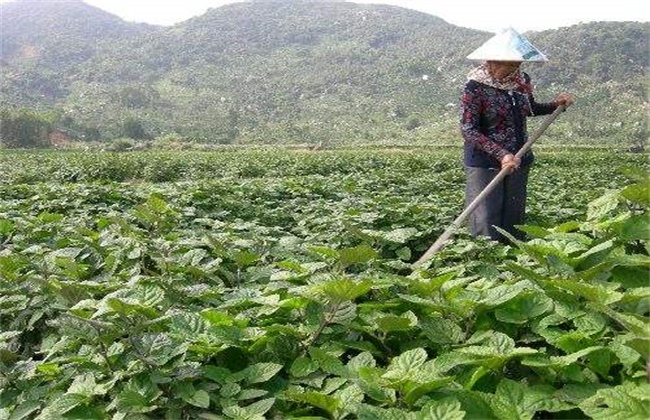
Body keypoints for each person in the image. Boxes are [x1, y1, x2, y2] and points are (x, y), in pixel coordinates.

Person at [460, 28, 574, 242]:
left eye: (518, 63)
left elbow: (529, 108)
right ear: (492, 62)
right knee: (486, 217)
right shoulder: (474, 87)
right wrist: (501, 154)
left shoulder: (522, 81)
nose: (515, 68)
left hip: (519, 156)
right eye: (509, 64)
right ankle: (486, 261)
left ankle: (512, 260)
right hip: (485, 161)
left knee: (513, 215)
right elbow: (468, 129)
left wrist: (556, 106)